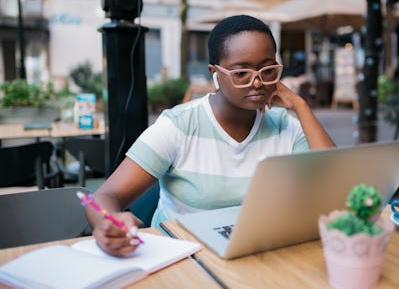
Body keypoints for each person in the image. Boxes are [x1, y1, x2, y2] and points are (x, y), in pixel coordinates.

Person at [86, 14, 336, 256]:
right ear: (214, 73)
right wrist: (108, 222)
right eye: (241, 73)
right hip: (185, 256)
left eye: (268, 70)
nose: (258, 83)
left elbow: (334, 184)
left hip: (258, 251)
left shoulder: (285, 126)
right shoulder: (179, 125)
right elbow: (105, 196)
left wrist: (300, 106)